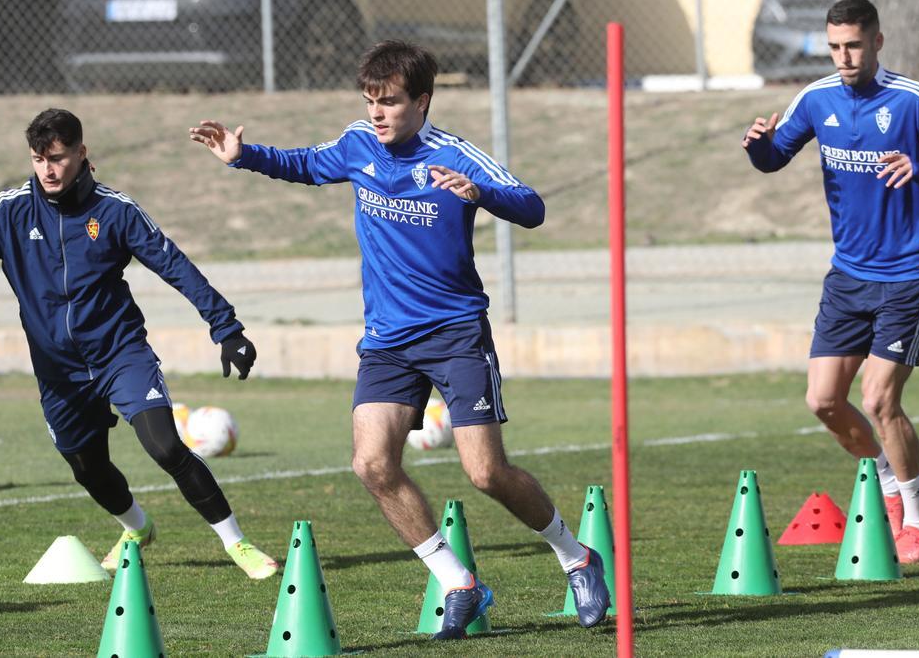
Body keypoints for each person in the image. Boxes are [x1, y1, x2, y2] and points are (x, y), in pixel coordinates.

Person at [189, 40, 610, 638]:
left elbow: (533, 207)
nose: (377, 114)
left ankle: (576, 556)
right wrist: (243, 155)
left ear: (423, 101)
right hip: (387, 340)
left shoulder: (454, 154)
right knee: (371, 463)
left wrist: (480, 194)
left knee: (486, 474)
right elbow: (305, 164)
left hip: (456, 333)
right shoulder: (358, 145)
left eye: (389, 102)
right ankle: (459, 583)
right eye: (370, 102)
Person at [0, 108, 279, 580]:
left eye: (58, 158)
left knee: (166, 447)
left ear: (81, 154)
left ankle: (238, 543)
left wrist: (226, 328)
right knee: (87, 468)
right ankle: (137, 528)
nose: (47, 169)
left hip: (119, 354)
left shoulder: (115, 211)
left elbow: (176, 266)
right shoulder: (11, 210)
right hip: (58, 371)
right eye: (38, 159)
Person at [742, 0, 919, 563]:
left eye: (853, 45)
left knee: (879, 399)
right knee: (823, 400)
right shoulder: (817, 97)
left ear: (877, 42)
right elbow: (775, 157)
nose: (844, 56)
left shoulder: (911, 99)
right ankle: (885, 483)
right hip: (848, 275)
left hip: (908, 271)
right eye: (834, 47)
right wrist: (758, 146)